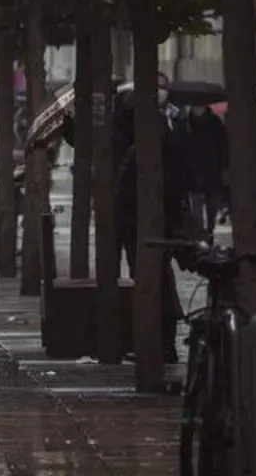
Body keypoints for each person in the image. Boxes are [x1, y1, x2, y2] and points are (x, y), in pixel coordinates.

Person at [114, 82, 190, 364]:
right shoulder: (171, 143)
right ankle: (163, 341)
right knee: (161, 281)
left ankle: (156, 342)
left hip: (143, 227)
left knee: (150, 283)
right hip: (165, 224)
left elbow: (124, 193)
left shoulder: (139, 149)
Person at [186, 104, 229, 234]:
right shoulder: (186, 123)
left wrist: (223, 166)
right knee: (196, 209)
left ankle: (209, 231)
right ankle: (200, 234)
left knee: (212, 207)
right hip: (194, 172)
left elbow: (223, 147)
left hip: (212, 171)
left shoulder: (215, 123)